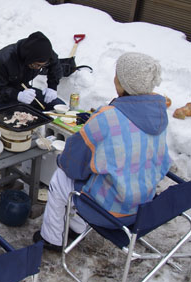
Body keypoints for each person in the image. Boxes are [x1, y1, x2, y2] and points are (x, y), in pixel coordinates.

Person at [33, 52, 171, 251]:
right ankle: (76, 226)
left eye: (117, 75)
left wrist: (65, 159)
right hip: (145, 207)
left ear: (122, 83)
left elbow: (73, 163)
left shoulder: (108, 117)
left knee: (62, 177)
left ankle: (52, 239)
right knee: (102, 171)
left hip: (111, 211)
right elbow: (163, 163)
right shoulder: (158, 115)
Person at [0, 31, 65, 131]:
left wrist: (52, 87)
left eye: (43, 66)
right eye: (37, 65)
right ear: (28, 58)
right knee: (17, 121)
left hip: (22, 86)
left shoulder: (45, 52)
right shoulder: (4, 58)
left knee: (58, 106)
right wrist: (18, 95)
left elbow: (55, 65)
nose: (39, 68)